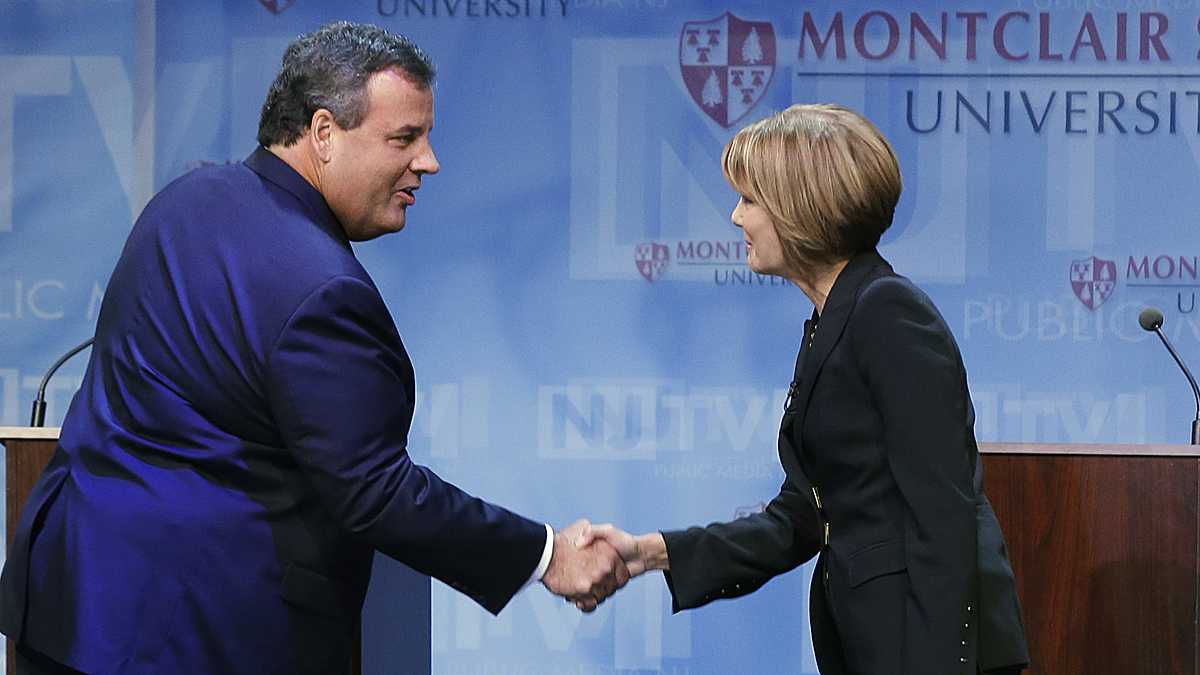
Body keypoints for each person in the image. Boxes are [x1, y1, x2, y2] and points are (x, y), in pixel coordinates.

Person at [0, 22, 625, 675]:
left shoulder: (183, 202)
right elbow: (375, 490)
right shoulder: (322, 288)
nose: (429, 161)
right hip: (198, 638)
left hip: (68, 606)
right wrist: (547, 555)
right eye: (405, 137)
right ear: (323, 133)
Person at [581, 104, 1031, 675]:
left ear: (800, 210)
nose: (736, 216)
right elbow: (806, 516)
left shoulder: (888, 314)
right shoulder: (835, 319)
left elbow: (941, 519)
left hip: (925, 652)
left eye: (749, 200)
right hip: (875, 642)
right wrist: (648, 552)